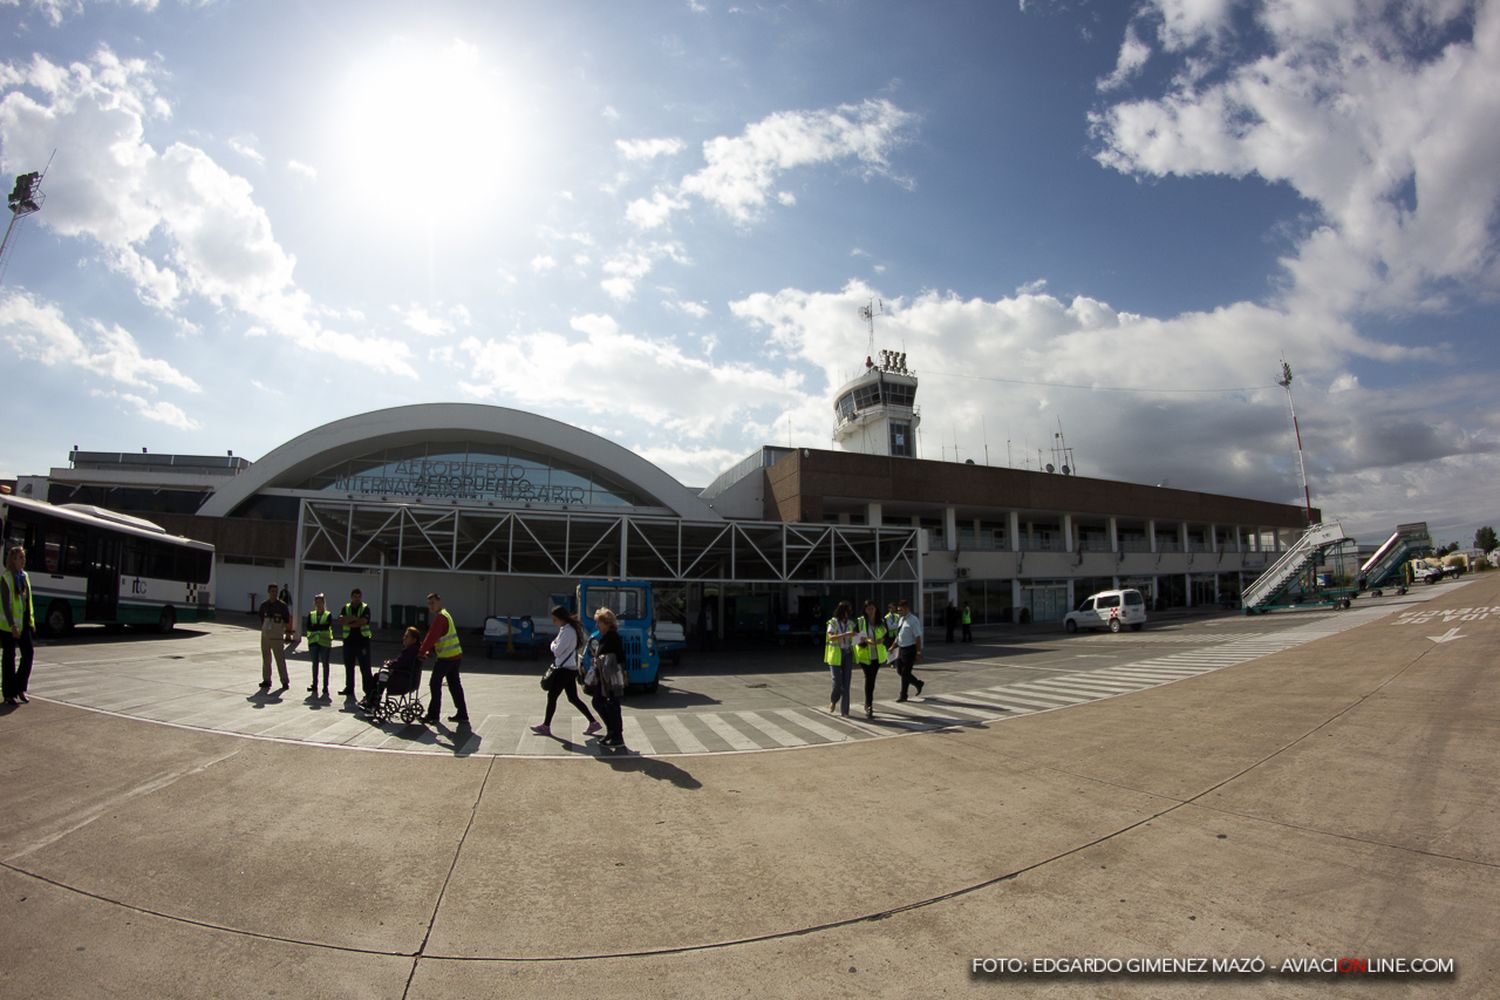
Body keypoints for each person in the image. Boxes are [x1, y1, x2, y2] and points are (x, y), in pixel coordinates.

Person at [531, 605, 601, 739]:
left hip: (564, 670)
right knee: (573, 698)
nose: (553, 622)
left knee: (552, 696)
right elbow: (558, 645)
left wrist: (552, 644)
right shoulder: (566, 629)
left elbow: (557, 650)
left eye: (555, 619)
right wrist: (555, 643)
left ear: (561, 619)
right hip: (569, 669)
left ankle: (546, 726)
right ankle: (593, 722)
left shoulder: (568, 632)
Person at [420, 592, 468, 725]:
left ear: (439, 602)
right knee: (454, 685)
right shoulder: (446, 614)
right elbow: (440, 637)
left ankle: (433, 715)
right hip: (455, 656)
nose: (431, 606)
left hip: (446, 659)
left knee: (435, 684)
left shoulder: (440, 618)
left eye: (433, 603)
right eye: (429, 604)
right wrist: (431, 650)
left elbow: (431, 636)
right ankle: (462, 713)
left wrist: (421, 651)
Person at [588, 607, 627, 747]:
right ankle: (612, 731)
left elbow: (615, 657)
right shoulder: (608, 636)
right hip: (606, 678)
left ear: (606, 623)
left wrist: (598, 658)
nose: (597, 625)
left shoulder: (611, 637)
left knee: (609, 704)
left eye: (599, 622)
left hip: (609, 678)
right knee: (602, 702)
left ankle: (616, 734)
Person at [2, 545, 35, 706]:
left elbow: (27, 602)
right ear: (12, 560)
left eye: (23, 557)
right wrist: (12, 625)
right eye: (19, 557)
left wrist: (30, 621)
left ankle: (20, 687)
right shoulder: (6, 578)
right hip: (8, 626)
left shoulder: (25, 576)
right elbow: (6, 604)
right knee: (9, 658)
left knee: (28, 654)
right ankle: (9, 693)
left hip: (24, 624)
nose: (22, 560)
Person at [364, 626, 422, 711]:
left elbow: (400, 663)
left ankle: (371, 702)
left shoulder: (410, 651)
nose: (404, 638)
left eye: (407, 637)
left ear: (414, 640)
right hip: (406, 678)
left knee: (379, 676)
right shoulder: (414, 650)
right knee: (381, 676)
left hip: (402, 679)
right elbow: (401, 662)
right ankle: (370, 699)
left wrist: (390, 664)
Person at [853, 599, 889, 720]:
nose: (871, 610)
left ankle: (868, 703)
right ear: (865, 610)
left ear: (876, 609)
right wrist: (865, 640)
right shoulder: (860, 621)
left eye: (872, 608)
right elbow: (855, 638)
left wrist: (882, 640)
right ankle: (869, 705)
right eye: (868, 608)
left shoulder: (882, 622)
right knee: (869, 679)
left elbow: (887, 636)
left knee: (872, 679)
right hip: (865, 655)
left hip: (877, 656)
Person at [338, 588, 373, 700]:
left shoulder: (365, 608)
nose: (357, 598)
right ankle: (349, 688)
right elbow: (341, 620)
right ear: (351, 597)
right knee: (349, 667)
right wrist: (353, 619)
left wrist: (350, 622)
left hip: (362, 642)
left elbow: (363, 622)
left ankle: (368, 691)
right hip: (348, 642)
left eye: (358, 596)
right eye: (355, 596)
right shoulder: (346, 608)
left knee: (365, 668)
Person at [257, 583, 293, 692]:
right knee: (266, 659)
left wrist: (287, 634)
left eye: (275, 591)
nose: (274, 593)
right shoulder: (264, 605)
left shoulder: (282, 606)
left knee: (280, 659)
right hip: (266, 636)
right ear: (268, 592)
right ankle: (266, 680)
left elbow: (287, 620)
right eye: (272, 591)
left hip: (277, 635)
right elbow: (261, 619)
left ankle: (284, 681)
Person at [824, 601, 856, 716]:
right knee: (837, 683)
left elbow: (854, 637)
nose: (850, 613)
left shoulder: (851, 623)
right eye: (848, 611)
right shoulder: (833, 622)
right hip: (836, 655)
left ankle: (845, 711)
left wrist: (858, 638)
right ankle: (833, 700)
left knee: (846, 684)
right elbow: (831, 637)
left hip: (847, 654)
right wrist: (845, 634)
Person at [893, 598, 924, 702]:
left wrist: (918, 652)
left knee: (905, 673)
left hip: (910, 649)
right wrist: (893, 646)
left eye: (900, 610)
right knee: (899, 671)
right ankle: (917, 683)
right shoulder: (901, 619)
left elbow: (918, 637)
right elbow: (899, 635)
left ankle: (903, 695)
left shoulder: (913, 620)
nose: (899, 612)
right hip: (901, 649)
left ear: (906, 609)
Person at [304, 593, 333, 699]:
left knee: (325, 664)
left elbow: (327, 626)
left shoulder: (328, 614)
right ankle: (314, 685)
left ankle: (325, 686)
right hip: (313, 642)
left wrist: (316, 626)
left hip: (325, 643)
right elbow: (309, 627)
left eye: (320, 602)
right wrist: (319, 627)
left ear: (323, 603)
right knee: (314, 664)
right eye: (317, 602)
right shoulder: (311, 614)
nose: (318, 604)